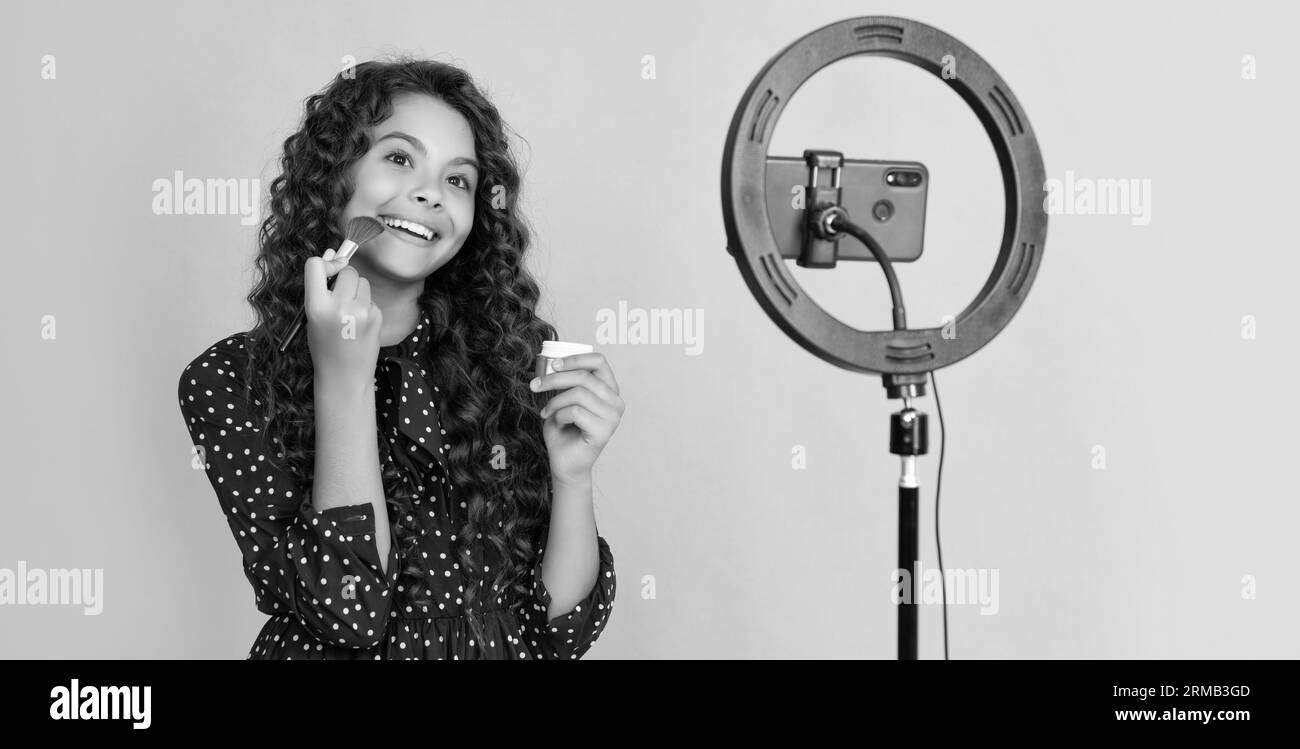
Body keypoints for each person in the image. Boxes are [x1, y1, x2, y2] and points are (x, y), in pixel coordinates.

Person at [176, 57, 624, 659]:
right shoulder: (230, 380)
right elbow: (348, 614)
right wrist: (344, 378)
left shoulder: (512, 360)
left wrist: (573, 476)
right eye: (400, 157)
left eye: (458, 180)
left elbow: (561, 633)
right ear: (334, 176)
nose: (429, 193)